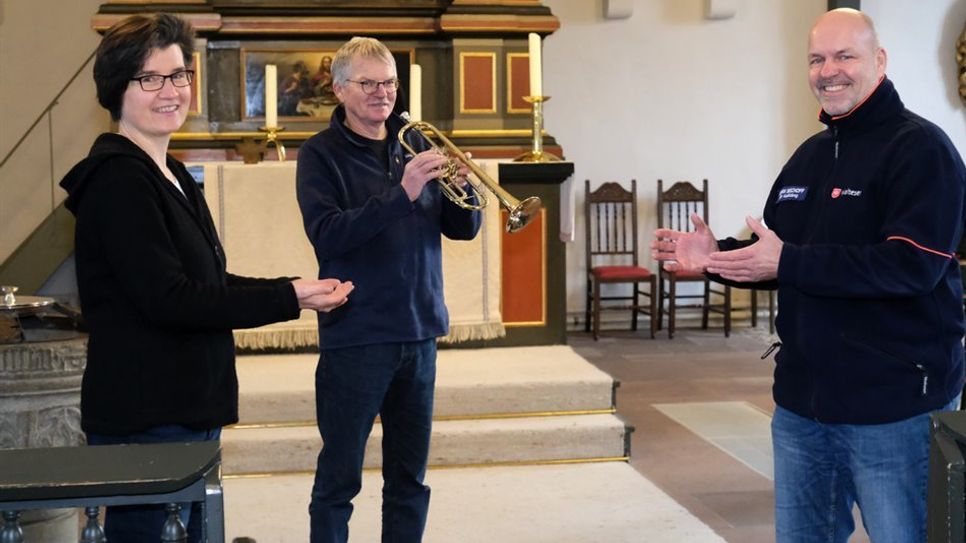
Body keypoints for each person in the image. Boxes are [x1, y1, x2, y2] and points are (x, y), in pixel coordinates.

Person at [651, 8, 965, 543]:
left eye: (845, 56)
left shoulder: (921, 150)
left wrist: (786, 261)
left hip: (893, 406)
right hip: (802, 406)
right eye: (817, 59)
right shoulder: (810, 156)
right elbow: (777, 254)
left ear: (880, 61)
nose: (829, 70)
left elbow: (913, 266)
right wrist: (715, 256)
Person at [59, 13, 354, 542]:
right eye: (150, 78)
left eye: (179, 75)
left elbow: (208, 279)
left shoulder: (167, 171)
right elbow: (170, 300)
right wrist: (284, 299)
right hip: (147, 414)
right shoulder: (119, 182)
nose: (170, 90)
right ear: (116, 89)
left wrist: (293, 292)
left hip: (183, 402)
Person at [296, 37, 481, 543]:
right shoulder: (319, 155)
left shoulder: (417, 142)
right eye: (368, 83)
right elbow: (329, 233)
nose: (383, 93)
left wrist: (464, 193)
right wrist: (403, 194)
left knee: (408, 480)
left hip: (418, 330)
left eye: (390, 83)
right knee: (339, 479)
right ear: (339, 89)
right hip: (356, 332)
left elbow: (461, 230)